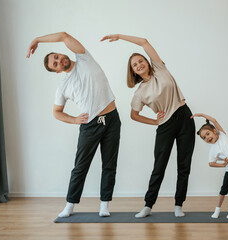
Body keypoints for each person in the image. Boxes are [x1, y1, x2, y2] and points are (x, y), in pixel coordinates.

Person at [26, 32, 121, 218]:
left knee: (109, 164)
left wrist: (36, 39)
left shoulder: (85, 59)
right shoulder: (63, 86)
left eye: (57, 57)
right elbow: (56, 112)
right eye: (55, 64)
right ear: (57, 72)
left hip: (112, 119)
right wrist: (74, 119)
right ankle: (70, 205)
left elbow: (63, 36)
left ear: (62, 55)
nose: (59, 61)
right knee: (80, 167)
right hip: (90, 125)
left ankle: (104, 205)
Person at [101, 34, 195, 218]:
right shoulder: (140, 92)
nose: (139, 65)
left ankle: (178, 205)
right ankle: (148, 205)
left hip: (185, 117)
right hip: (165, 125)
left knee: (184, 165)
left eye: (141, 60)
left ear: (147, 61)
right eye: (135, 65)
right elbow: (133, 115)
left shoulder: (160, 69)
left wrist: (119, 36)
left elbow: (144, 42)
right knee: (159, 167)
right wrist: (154, 121)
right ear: (133, 71)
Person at [191, 113, 228, 218]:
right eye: (204, 137)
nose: (207, 138)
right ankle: (217, 210)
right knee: (223, 191)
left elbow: (214, 121)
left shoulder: (222, 135)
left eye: (208, 134)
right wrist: (223, 165)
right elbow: (211, 163)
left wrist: (202, 115)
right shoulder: (213, 150)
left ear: (214, 131)